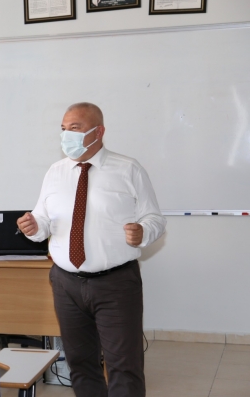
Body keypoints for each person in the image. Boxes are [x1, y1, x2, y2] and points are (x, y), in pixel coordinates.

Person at [17, 103, 166, 397]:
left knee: (124, 365)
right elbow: (44, 219)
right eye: (63, 129)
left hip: (115, 284)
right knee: (80, 363)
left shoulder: (128, 169)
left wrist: (143, 231)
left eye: (75, 128)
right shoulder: (55, 172)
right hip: (66, 283)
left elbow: (155, 219)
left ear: (98, 132)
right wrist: (34, 226)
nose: (66, 135)